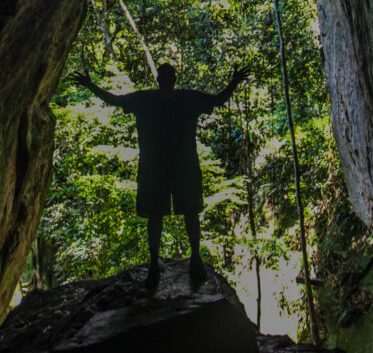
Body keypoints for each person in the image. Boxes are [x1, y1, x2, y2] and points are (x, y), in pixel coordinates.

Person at [72, 61, 249, 287]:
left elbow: (115, 100)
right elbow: (217, 100)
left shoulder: (148, 99)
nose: (166, 81)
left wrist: (90, 86)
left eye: (166, 77)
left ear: (162, 80)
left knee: (172, 213)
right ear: (169, 80)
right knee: (182, 212)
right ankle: (178, 260)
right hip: (177, 165)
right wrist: (233, 82)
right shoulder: (184, 98)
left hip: (160, 166)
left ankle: (170, 262)